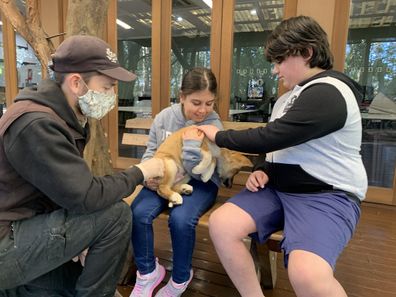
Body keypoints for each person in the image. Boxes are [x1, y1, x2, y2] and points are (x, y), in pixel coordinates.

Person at [198, 16, 368, 297]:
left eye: (279, 61)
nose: (275, 70)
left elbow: (273, 136)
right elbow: (276, 146)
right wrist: (263, 167)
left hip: (325, 195)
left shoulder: (330, 92)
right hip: (278, 189)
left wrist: (219, 135)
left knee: (307, 275)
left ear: (307, 52)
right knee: (222, 224)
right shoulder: (288, 98)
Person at [0, 35, 164, 297]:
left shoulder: (61, 116)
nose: (112, 95)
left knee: (74, 281)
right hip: (7, 242)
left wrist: (82, 238)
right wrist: (140, 173)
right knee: (116, 215)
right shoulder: (37, 125)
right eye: (108, 86)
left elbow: (67, 190)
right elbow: (85, 195)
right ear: (76, 83)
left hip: (24, 227)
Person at [129, 67, 223, 297]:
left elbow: (202, 170)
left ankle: (180, 277)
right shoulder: (164, 117)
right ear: (181, 96)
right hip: (163, 177)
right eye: (196, 102)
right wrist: (148, 176)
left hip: (201, 181)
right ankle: (148, 272)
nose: (203, 110)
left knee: (181, 219)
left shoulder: (213, 124)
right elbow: (151, 151)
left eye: (209, 103)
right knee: (138, 212)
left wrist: (191, 147)